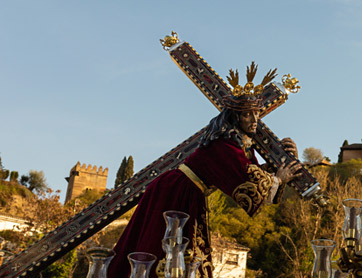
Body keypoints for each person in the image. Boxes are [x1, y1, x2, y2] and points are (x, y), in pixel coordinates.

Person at [107, 64, 303, 277]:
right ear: (235, 117)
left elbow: (253, 173)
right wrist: (279, 178)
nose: (254, 120)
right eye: (247, 115)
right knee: (161, 246)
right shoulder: (224, 144)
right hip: (176, 193)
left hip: (187, 193)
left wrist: (282, 162)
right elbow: (250, 182)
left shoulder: (238, 144)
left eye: (256, 114)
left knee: (183, 253)